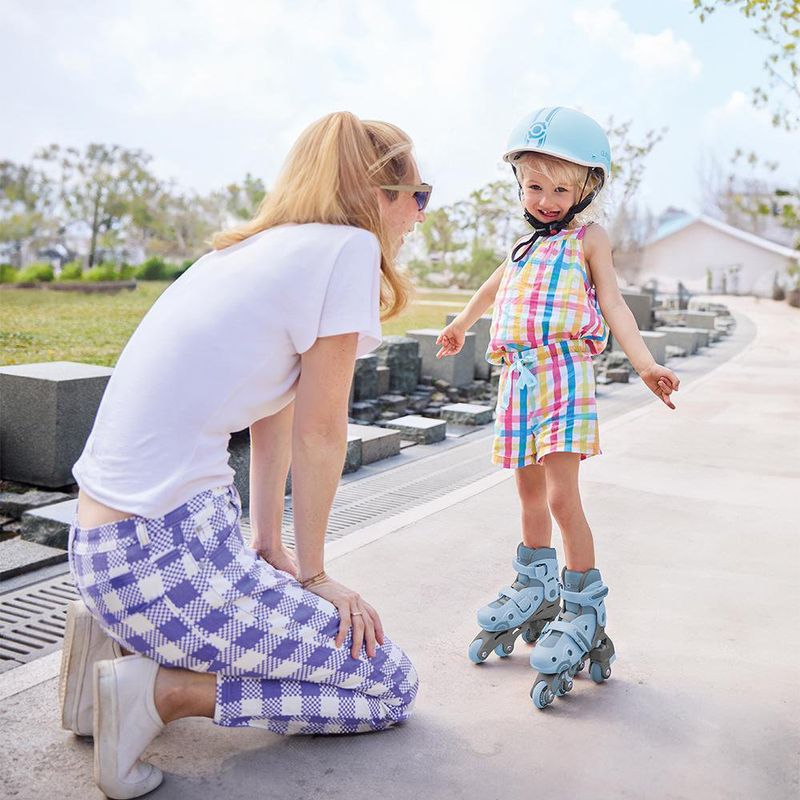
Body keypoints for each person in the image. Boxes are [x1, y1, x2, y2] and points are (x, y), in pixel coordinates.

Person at [60, 111, 430, 798]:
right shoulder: (347, 250)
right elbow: (321, 433)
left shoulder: (246, 253)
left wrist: (268, 541)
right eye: (417, 194)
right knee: (387, 683)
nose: (418, 215)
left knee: (308, 629)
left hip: (103, 552)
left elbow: (274, 416)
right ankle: (159, 692)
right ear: (374, 194)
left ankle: (104, 652)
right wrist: (316, 576)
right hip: (161, 560)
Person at [435, 106, 679, 709]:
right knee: (526, 495)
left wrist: (645, 363)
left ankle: (581, 602)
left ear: (585, 189)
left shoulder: (587, 239)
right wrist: (462, 323)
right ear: (519, 185)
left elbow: (616, 306)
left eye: (560, 188)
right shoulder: (520, 245)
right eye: (534, 186)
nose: (545, 199)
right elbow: (495, 286)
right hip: (516, 379)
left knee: (563, 497)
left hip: (563, 375)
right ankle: (536, 584)